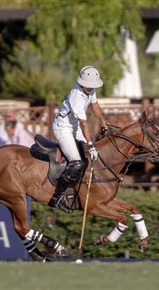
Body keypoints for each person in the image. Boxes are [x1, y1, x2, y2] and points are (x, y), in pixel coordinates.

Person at [50, 65, 110, 211]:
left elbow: (95, 105)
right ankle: (57, 197)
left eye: (92, 86)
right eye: (88, 86)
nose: (90, 88)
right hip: (63, 127)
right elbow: (84, 124)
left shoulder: (90, 89)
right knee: (76, 162)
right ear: (82, 83)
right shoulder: (76, 96)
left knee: (87, 158)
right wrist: (90, 144)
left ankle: (79, 189)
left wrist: (102, 120)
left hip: (75, 125)